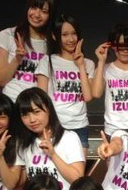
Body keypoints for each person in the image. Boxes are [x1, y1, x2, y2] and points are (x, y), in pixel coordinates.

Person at [12, 87, 86, 190]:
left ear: (49, 110)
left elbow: (77, 179)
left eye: (37, 112)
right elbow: (18, 181)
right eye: (25, 115)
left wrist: (53, 154)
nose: (32, 119)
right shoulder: (23, 143)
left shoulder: (69, 138)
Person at [36, 14, 95, 155]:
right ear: (55, 36)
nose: (71, 39)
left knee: (78, 169)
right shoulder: (47, 61)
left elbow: (88, 97)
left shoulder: (88, 64)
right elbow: (41, 99)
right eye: (65, 35)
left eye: (74, 33)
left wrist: (80, 65)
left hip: (79, 126)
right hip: (54, 126)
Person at [0, 0, 56, 102]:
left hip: (38, 105)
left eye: (44, 11)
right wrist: (17, 58)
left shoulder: (52, 43)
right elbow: (0, 80)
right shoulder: (8, 35)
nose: (37, 14)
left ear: (50, 15)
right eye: (34, 7)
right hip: (12, 102)